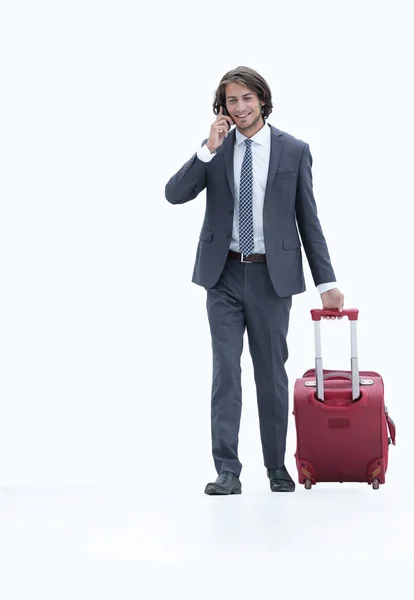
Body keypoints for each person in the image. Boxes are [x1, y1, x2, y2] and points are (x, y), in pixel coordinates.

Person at [165, 66, 344, 495]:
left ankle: (276, 465)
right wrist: (207, 149)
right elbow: (175, 194)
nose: (240, 107)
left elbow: (309, 220)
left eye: (247, 98)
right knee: (226, 371)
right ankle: (228, 469)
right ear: (221, 107)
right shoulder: (217, 149)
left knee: (270, 373)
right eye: (232, 101)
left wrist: (327, 283)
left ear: (262, 99)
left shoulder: (294, 150)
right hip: (222, 273)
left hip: (271, 277)